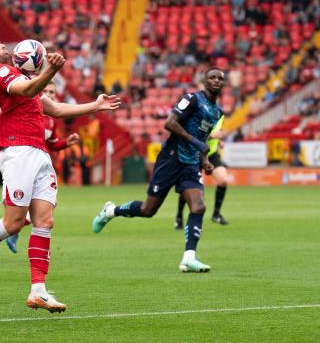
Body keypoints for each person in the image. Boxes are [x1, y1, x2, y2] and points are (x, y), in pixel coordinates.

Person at [0, 29, 121, 313]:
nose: (1, 44)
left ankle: (38, 290)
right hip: (19, 152)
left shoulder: (22, 76)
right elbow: (27, 90)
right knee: (14, 222)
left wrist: (96, 105)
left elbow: (53, 108)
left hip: (39, 152)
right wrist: (51, 70)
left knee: (45, 220)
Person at [92, 68, 226, 273]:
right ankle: (110, 211)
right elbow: (169, 123)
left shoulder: (217, 112)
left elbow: (202, 137)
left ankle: (188, 258)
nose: (216, 81)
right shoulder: (192, 99)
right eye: (212, 77)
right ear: (204, 81)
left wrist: (205, 160)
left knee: (198, 207)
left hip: (190, 163)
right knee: (148, 210)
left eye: (220, 78)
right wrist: (197, 144)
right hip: (171, 159)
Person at [4, 81, 81, 254]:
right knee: (16, 216)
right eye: (45, 90)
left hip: (40, 165)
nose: (49, 94)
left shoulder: (50, 121)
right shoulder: (27, 111)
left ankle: (5, 239)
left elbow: (51, 143)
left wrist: (65, 143)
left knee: (44, 208)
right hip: (21, 164)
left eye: (52, 92)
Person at [175, 115, 230, 229]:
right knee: (188, 188)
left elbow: (216, 131)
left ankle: (216, 214)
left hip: (212, 154)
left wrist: (219, 141)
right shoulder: (202, 112)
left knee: (223, 180)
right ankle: (179, 216)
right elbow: (193, 134)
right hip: (196, 154)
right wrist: (211, 136)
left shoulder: (220, 115)